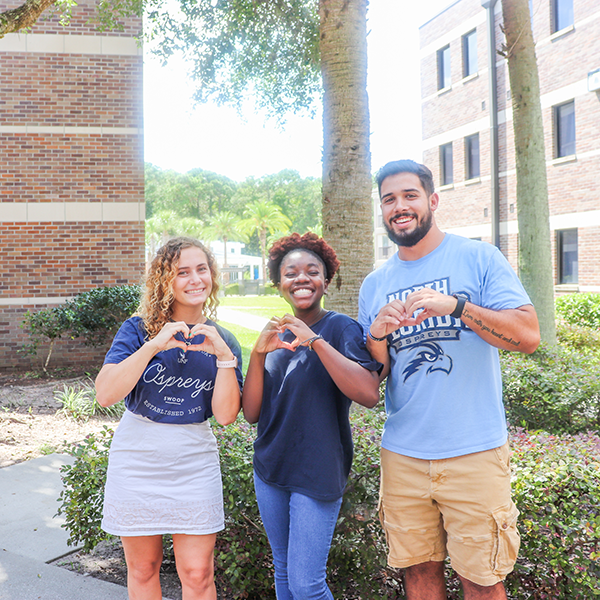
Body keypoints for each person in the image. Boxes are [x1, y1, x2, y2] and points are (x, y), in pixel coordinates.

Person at [358, 160, 540, 600]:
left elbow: (527, 336)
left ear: (432, 201)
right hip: (403, 454)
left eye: (409, 196)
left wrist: (458, 307)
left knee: (482, 579)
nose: (399, 207)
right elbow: (377, 375)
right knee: (418, 575)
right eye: (389, 200)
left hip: (473, 451)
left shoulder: (478, 257)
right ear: (382, 211)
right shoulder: (375, 284)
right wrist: (377, 335)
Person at [95, 237, 242, 600]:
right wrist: (154, 345)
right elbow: (105, 394)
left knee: (197, 573)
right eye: (182, 272)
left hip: (193, 459)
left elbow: (225, 416)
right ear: (165, 281)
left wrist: (224, 358)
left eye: (202, 269)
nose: (195, 279)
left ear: (212, 275)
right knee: (143, 569)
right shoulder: (137, 330)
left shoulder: (224, 340)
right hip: (138, 457)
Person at [242, 232, 381, 600]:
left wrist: (314, 340)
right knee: (285, 573)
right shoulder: (275, 334)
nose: (301, 278)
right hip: (271, 468)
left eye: (312, 271)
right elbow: (252, 413)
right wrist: (257, 354)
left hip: (317, 470)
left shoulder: (340, 328)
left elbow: (368, 393)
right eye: (291, 273)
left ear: (326, 279)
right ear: (278, 283)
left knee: (307, 585)